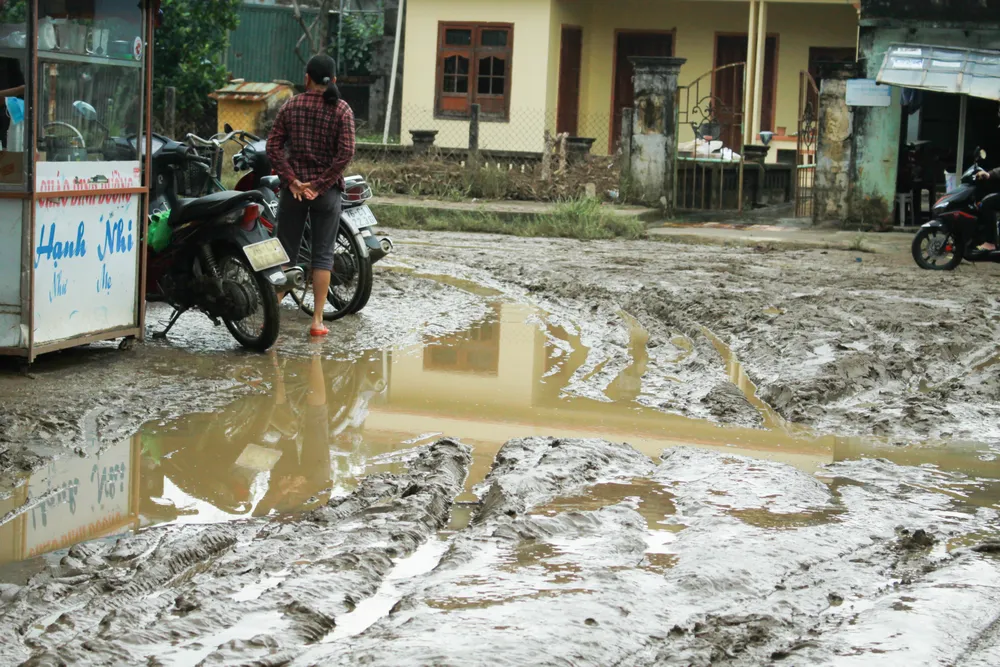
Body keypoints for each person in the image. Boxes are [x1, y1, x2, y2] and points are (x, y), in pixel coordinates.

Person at [266, 54, 356, 337]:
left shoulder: (291, 106)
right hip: (326, 194)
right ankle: (317, 321)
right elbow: (346, 154)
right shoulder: (342, 110)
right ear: (334, 81)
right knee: (322, 256)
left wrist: (292, 181)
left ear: (307, 78)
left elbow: (273, 146)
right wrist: (319, 184)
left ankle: (271, 316)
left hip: (294, 193)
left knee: (285, 253)